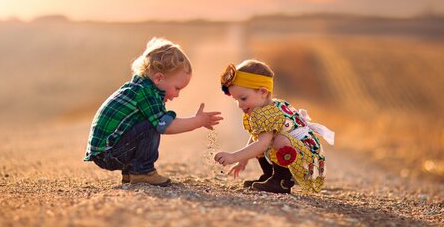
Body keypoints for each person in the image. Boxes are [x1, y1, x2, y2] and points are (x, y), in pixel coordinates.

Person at [84, 37, 222, 186]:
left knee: (146, 122)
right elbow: (165, 126)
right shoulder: (146, 92)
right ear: (158, 78)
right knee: (153, 124)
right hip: (109, 153)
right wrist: (197, 121)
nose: (177, 95)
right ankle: (142, 171)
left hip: (106, 151)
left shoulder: (138, 87)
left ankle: (131, 173)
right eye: (177, 88)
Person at [214, 60, 334, 194]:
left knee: (277, 141)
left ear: (263, 92)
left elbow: (261, 145)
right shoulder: (265, 108)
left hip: (305, 158)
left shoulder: (270, 113)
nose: (240, 105)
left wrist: (233, 157)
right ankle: (270, 176)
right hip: (295, 151)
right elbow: (256, 138)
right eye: (236, 100)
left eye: (243, 98)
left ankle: (281, 181)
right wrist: (243, 160)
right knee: (265, 141)